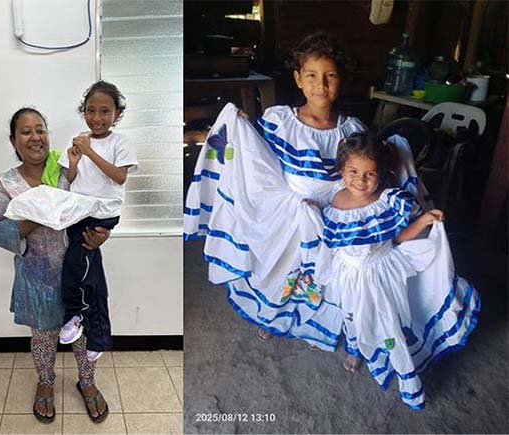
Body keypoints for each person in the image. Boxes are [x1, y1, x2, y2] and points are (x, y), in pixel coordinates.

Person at [184, 32, 367, 351]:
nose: (320, 85)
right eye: (311, 75)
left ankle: (314, 323)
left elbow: (362, 171)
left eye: (330, 76)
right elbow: (260, 160)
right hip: (288, 216)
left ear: (342, 80)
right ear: (297, 79)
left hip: (331, 215)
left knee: (323, 275)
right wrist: (242, 129)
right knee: (282, 270)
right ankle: (274, 317)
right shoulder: (280, 119)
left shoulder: (353, 129)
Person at [305, 134, 479, 409]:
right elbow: (332, 236)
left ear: (382, 174)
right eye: (353, 172)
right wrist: (312, 211)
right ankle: (355, 348)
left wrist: (423, 220)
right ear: (341, 171)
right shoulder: (336, 199)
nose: (361, 180)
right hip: (349, 274)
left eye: (369, 174)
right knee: (351, 312)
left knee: (386, 319)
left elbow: (398, 238)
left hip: (380, 272)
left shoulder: (389, 200)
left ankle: (402, 369)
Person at [0, 107, 112, 424]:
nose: (35, 137)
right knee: (43, 338)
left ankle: (87, 381)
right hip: (37, 279)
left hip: (81, 272)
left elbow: (96, 208)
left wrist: (101, 235)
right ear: (14, 141)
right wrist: (38, 216)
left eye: (40, 129)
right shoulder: (5, 184)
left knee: (84, 334)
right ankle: (45, 382)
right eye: (26, 131)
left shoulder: (70, 171)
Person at [57, 81, 138, 361]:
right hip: (79, 212)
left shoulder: (120, 142)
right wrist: (74, 161)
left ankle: (74, 316)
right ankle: (98, 337)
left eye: (105, 111)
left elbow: (120, 177)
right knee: (89, 274)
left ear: (117, 113)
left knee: (73, 265)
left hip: (101, 213)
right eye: (91, 110)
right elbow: (70, 180)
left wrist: (90, 152)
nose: (97, 118)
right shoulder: (80, 138)